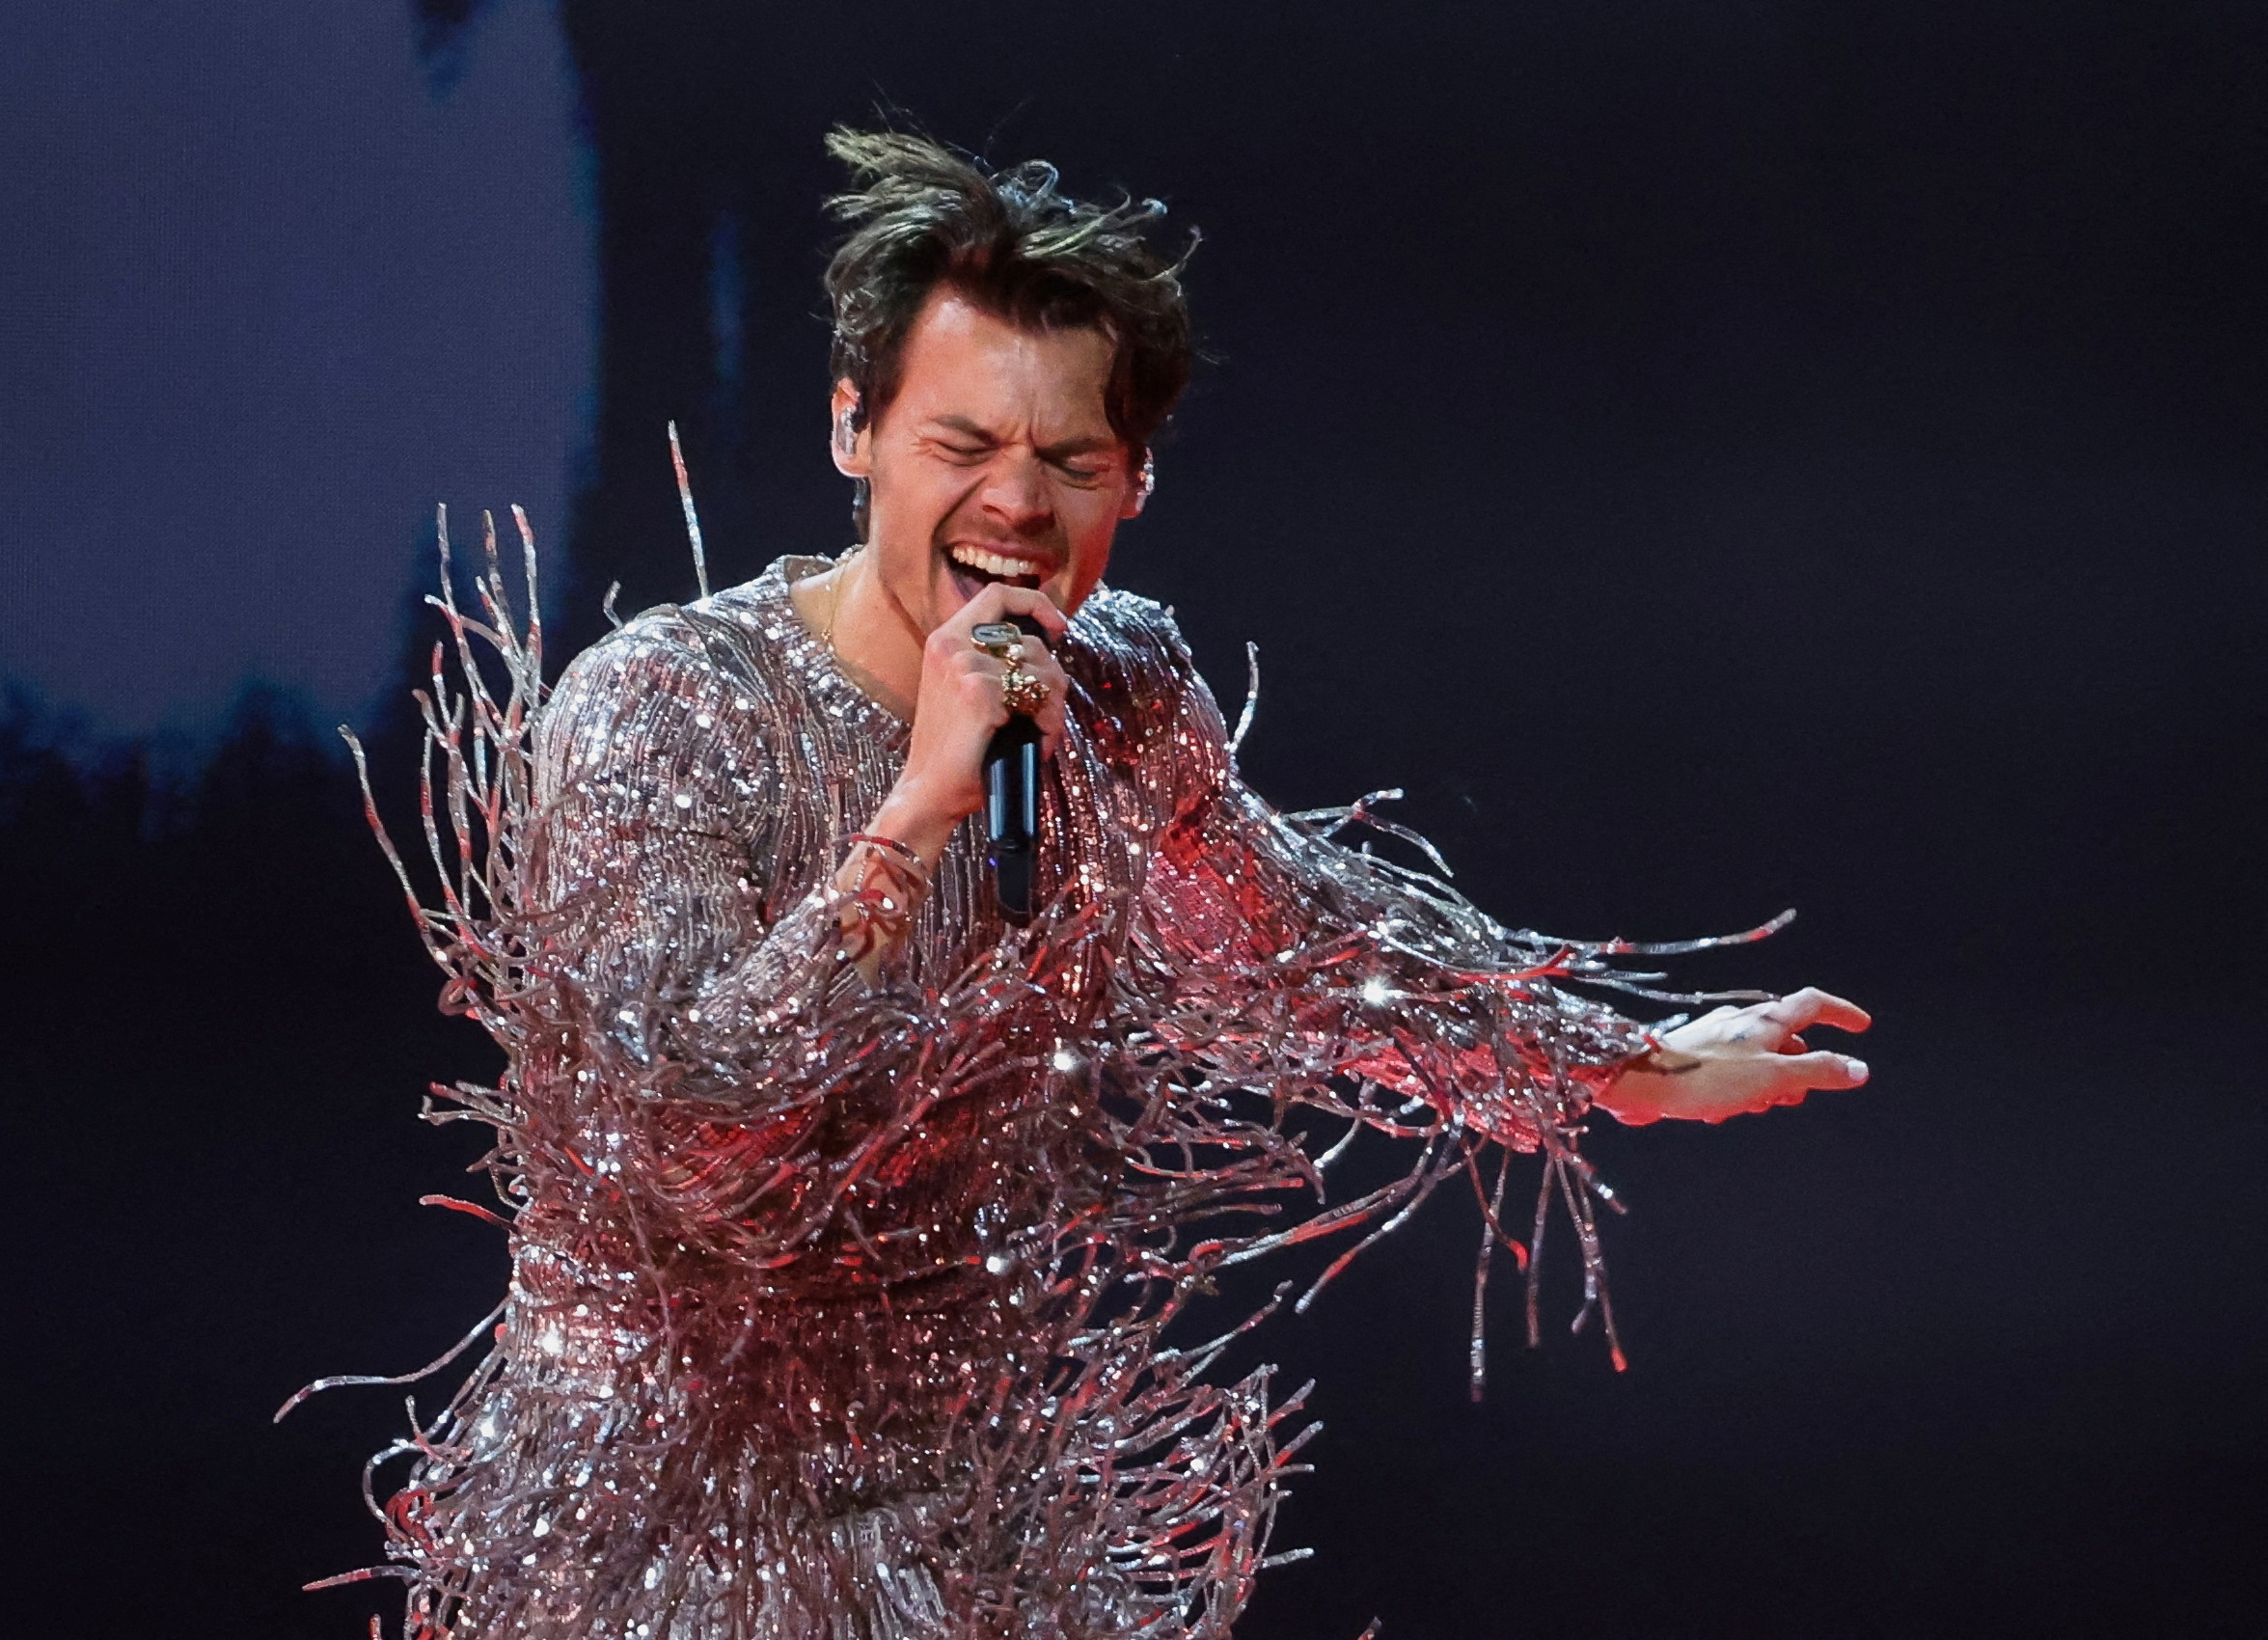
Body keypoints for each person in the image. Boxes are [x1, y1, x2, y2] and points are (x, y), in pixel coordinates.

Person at [310, 129, 1871, 1639]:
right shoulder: (659, 707)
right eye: (962, 446)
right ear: (853, 427)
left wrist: (1617, 1065)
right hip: (661, 1517)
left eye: (1070, 458)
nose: (1014, 505)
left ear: (1134, 479)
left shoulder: (1113, 687)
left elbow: (1289, 949)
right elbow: (685, 1138)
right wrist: (917, 809)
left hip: (965, 1510)